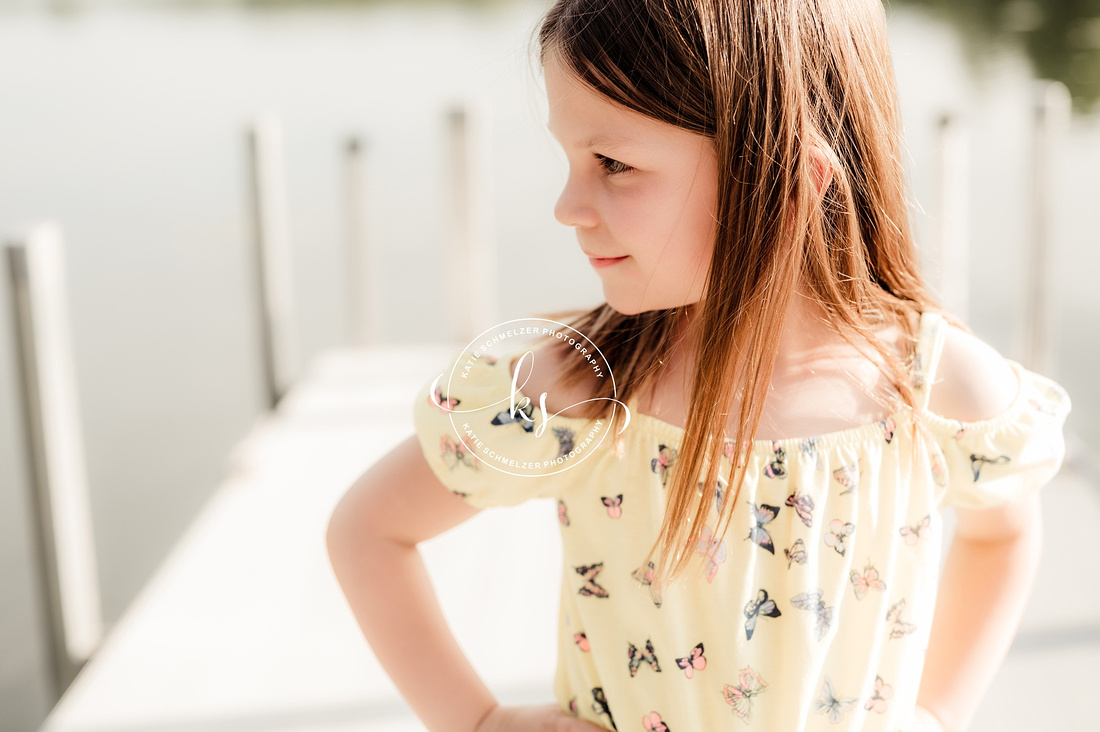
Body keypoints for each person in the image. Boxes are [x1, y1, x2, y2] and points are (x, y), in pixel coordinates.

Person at [325, 1, 1073, 730]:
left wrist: (939, 713)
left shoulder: (932, 387)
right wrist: (480, 720)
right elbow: (369, 531)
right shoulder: (584, 391)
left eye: (612, 163)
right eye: (573, 159)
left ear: (787, 183)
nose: (567, 205)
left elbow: (1004, 535)